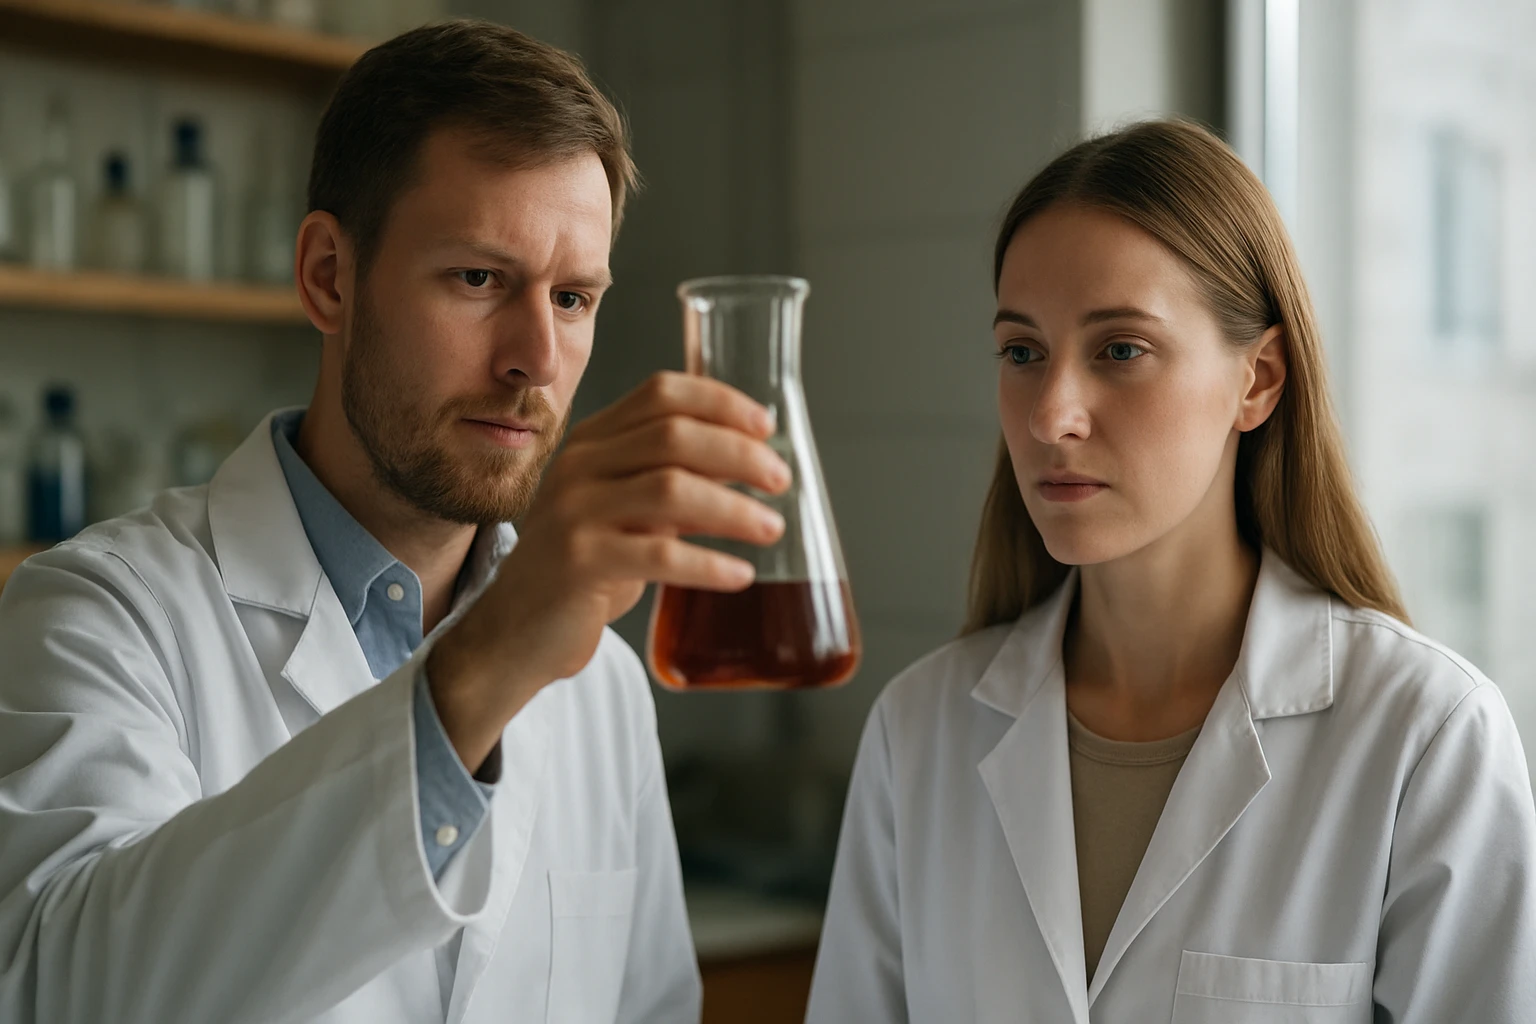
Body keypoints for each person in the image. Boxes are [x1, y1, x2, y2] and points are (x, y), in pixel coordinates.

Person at [0, 21, 792, 1024]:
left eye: (572, 297)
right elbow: (66, 995)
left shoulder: (603, 684)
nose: (537, 358)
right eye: (478, 279)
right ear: (329, 275)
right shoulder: (101, 618)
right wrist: (484, 662)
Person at [805, 119, 1536, 1023]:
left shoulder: (1427, 738)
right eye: (1023, 352)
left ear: (1258, 380)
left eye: (1121, 349)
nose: (1051, 417)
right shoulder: (918, 730)